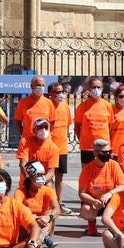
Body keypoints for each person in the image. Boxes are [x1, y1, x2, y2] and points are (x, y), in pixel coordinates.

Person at [78, 138, 124, 235]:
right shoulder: (87, 169)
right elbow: (82, 193)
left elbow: (122, 186)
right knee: (86, 209)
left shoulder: (114, 165)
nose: (108, 154)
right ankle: (92, 227)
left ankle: (116, 227)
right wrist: (94, 201)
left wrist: (110, 193)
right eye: (104, 152)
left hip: (111, 200)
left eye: (109, 151)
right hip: (95, 202)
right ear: (95, 153)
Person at [15, 160, 59, 248]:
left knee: (37, 243)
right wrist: (34, 218)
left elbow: (57, 209)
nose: (42, 177)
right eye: (39, 175)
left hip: (43, 223)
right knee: (36, 243)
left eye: (43, 174)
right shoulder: (20, 192)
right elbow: (17, 209)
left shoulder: (48, 190)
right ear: (30, 177)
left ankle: (37, 241)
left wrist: (48, 217)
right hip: (27, 223)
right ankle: (39, 241)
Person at [47, 82, 74, 214]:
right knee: (47, 177)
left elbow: (68, 124)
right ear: (50, 94)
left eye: (62, 91)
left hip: (62, 148)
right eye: (57, 92)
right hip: (48, 148)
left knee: (59, 178)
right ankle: (48, 203)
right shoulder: (47, 106)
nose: (60, 94)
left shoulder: (65, 106)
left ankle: (59, 202)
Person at [74, 77, 113, 166]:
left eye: (99, 87)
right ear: (89, 89)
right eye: (93, 87)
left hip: (104, 147)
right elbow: (77, 127)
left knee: (104, 173)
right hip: (87, 148)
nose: (96, 89)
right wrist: (83, 140)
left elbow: (110, 126)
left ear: (102, 88)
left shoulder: (108, 106)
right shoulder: (82, 107)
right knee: (87, 174)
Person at [16, 117, 59, 189]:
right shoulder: (25, 142)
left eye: (46, 127)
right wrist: (30, 179)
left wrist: (42, 181)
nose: (43, 129)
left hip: (44, 180)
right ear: (34, 129)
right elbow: (23, 164)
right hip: (28, 179)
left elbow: (51, 172)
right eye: (40, 127)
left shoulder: (54, 148)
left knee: (49, 186)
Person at [14, 75, 55, 140]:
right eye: (38, 85)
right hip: (28, 142)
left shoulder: (49, 103)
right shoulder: (23, 102)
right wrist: (23, 135)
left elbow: (52, 122)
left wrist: (47, 135)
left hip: (44, 141)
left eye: (43, 85)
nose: (41, 87)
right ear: (31, 86)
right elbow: (18, 121)